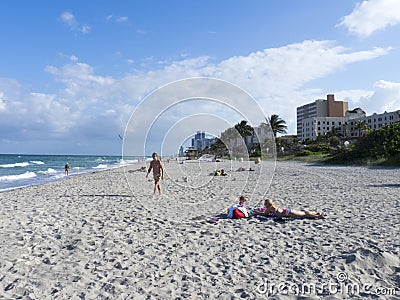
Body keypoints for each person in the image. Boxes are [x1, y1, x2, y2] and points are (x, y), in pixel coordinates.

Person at [256, 198, 325, 219]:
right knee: (303, 213)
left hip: (287, 213)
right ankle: (315, 213)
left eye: (264, 204)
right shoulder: (273, 206)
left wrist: (257, 212)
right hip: (287, 210)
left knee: (304, 215)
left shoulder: (269, 208)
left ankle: (318, 216)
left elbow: (264, 214)